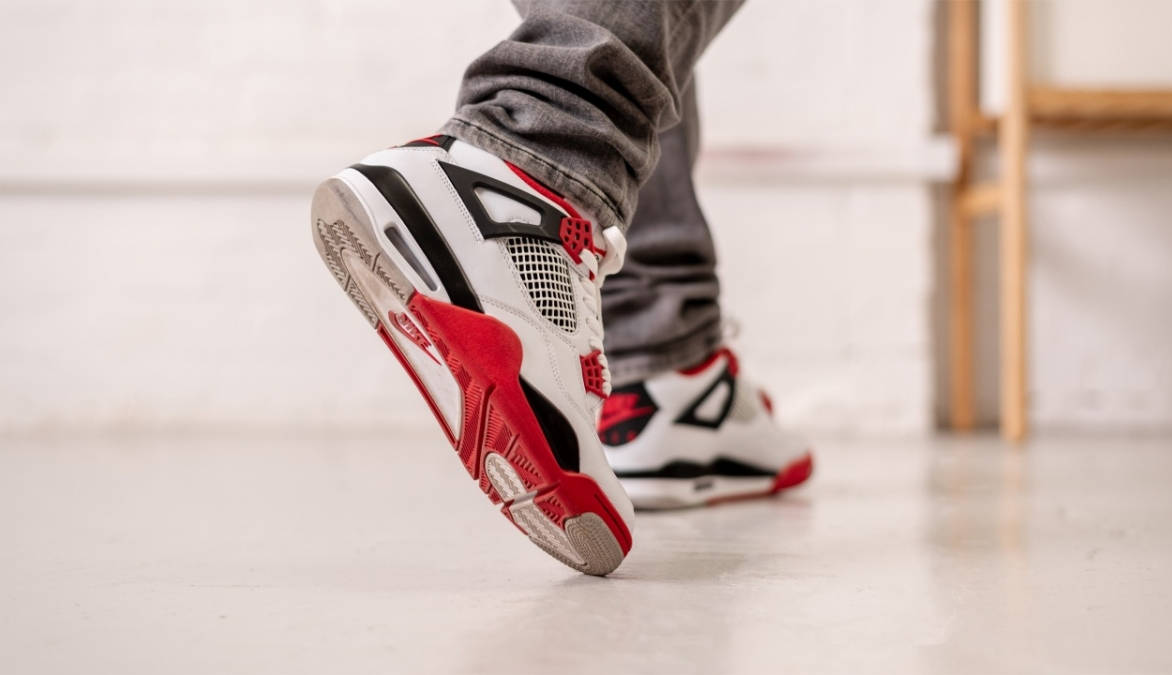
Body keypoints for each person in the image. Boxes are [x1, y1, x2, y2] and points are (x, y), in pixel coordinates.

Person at [311, 0, 811, 576]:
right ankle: (534, 166)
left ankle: (661, 356)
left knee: (659, 49)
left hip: (649, 329)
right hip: (524, 182)